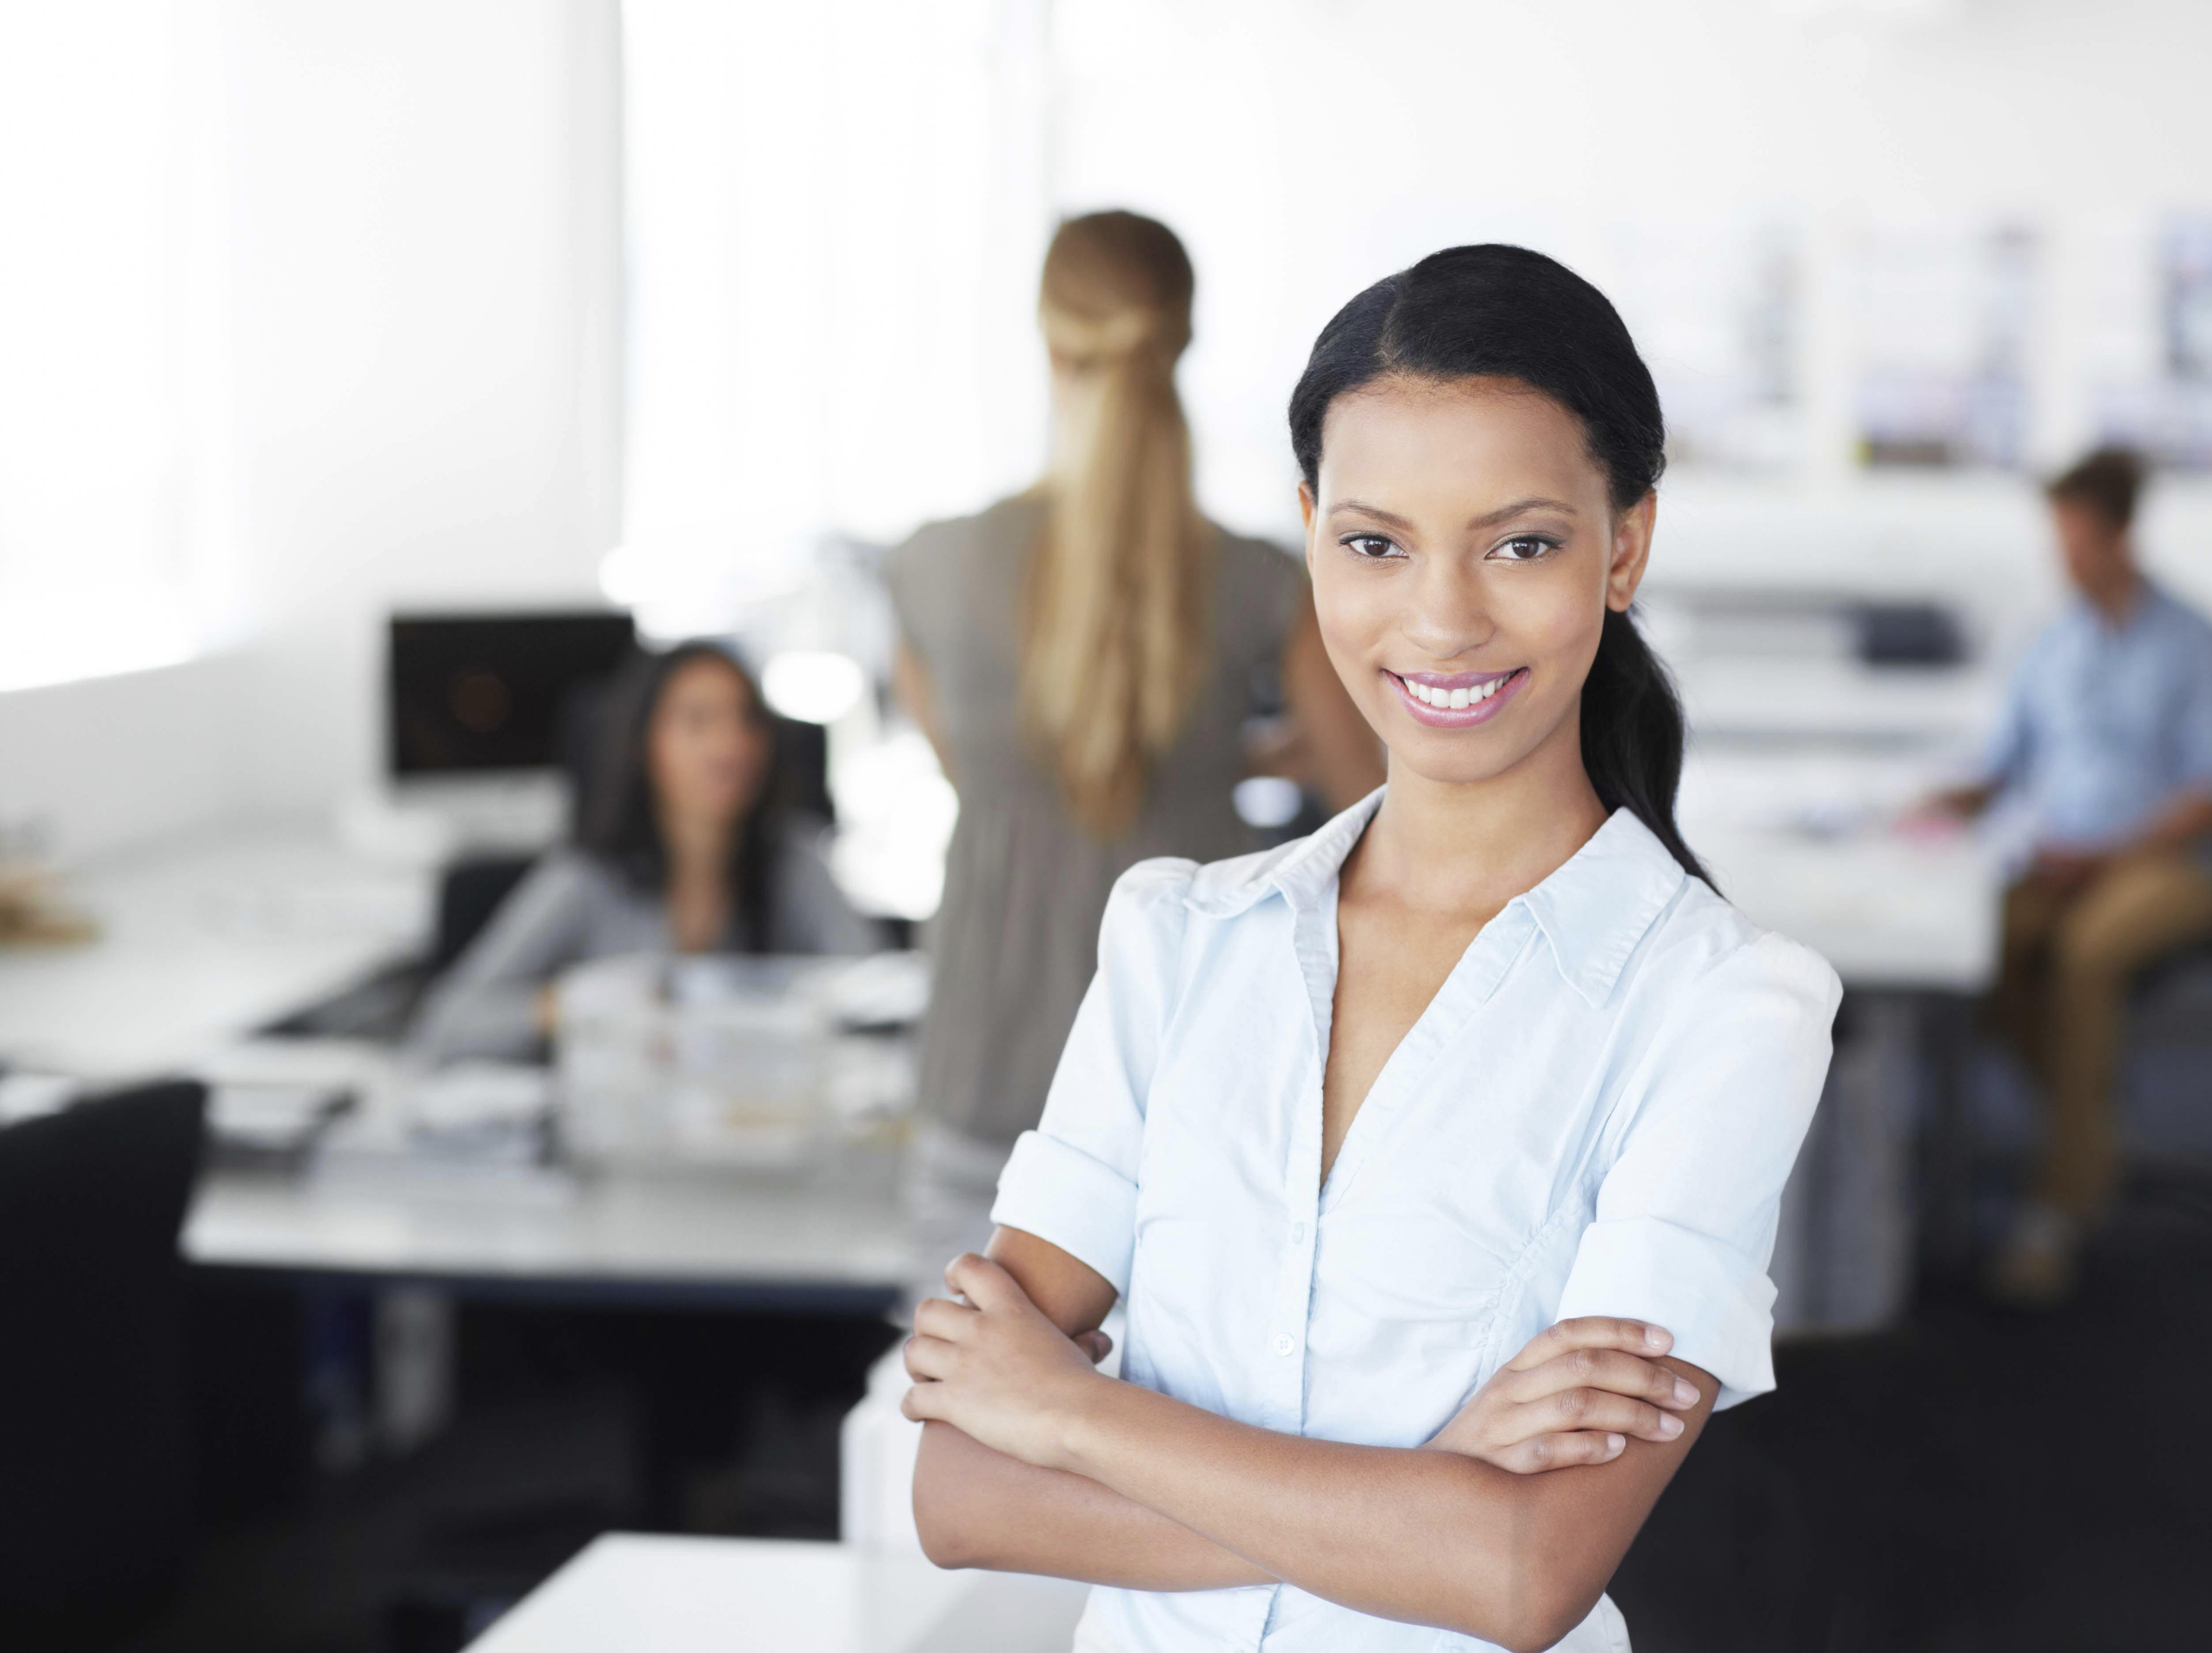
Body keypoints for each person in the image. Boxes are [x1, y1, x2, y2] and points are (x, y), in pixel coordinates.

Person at [898, 245, 1839, 1653]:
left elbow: (1522, 1576)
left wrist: (1072, 1415)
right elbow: (963, 1490)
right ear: (1308, 534)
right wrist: (1417, 1499)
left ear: (1625, 543)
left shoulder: (1724, 1009)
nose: (1442, 618)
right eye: (1374, 542)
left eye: (1520, 542)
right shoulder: (1178, 942)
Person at [885, 211, 1381, 1279]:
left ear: (1046, 339)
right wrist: (1226, 760)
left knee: (969, 1425)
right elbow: (1386, 812)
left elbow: (994, 771)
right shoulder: (1260, 580)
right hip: (1193, 1082)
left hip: (987, 1068)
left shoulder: (930, 573)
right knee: (1174, 1437)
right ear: (1183, 342)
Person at [1922, 447, 2212, 1306]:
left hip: (2167, 866)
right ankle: (2090, 1127)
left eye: (2078, 543)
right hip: (2059, 856)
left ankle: (2055, 1213)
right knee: (1967, 955)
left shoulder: (2192, 640)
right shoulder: (2049, 640)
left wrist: (2102, 859)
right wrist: (1934, 800)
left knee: (2082, 960)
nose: (2064, 561)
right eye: (2057, 542)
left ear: (2121, 536)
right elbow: (2004, 768)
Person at [405, 641, 868, 1065]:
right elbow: (442, 1029)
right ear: (646, 746)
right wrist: (569, 1004)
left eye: (747, 720)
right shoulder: (586, 879)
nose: (730, 745)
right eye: (698, 722)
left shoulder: (797, 864)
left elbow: (878, 994)